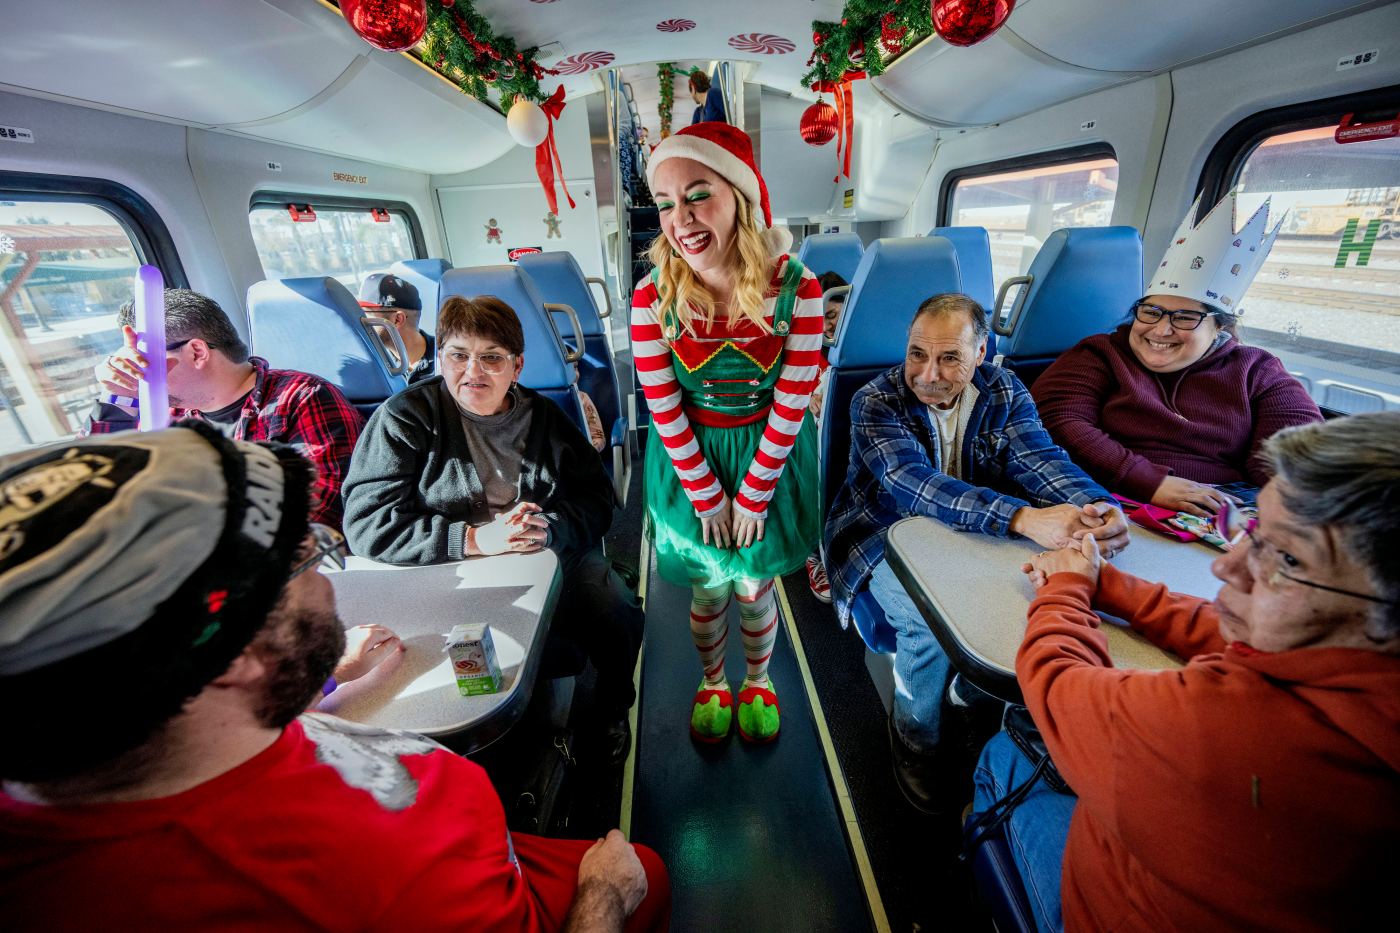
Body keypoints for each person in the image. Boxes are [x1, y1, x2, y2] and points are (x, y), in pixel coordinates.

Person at [0, 423, 670, 932]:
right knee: (649, 870)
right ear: (234, 656)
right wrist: (602, 892)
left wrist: (318, 686)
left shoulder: (137, 730)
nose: (326, 581)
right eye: (300, 562)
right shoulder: (388, 873)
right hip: (508, 880)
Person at [975, 412, 1400, 932]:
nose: (1226, 565)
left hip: (1113, 908)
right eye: (1252, 529)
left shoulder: (1230, 730)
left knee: (1005, 751)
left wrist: (1065, 591)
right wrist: (1108, 586)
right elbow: (1239, 629)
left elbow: (1057, 684)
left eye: (1286, 559)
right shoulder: (1362, 659)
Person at [824, 292, 1129, 814]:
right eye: (917, 353)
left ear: (982, 353)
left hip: (977, 531)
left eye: (949, 358)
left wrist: (1095, 505)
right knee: (926, 622)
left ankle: (970, 694)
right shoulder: (875, 400)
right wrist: (1024, 518)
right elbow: (912, 486)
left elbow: (1040, 458)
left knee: (1030, 600)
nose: (927, 373)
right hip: (884, 534)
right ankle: (915, 737)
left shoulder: (1004, 390)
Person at [342, 296, 642, 763]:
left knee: (616, 608)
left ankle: (610, 708)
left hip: (545, 555)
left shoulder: (546, 418)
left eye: (492, 358)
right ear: (440, 357)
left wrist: (549, 529)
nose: (472, 372)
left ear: (517, 366)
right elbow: (367, 524)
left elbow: (597, 500)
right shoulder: (406, 418)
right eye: (458, 355)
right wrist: (475, 539)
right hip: (443, 566)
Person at [631, 122, 822, 744]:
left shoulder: (801, 289)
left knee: (753, 583)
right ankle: (714, 680)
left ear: (738, 196)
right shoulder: (649, 295)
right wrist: (709, 495)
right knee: (709, 588)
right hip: (691, 459)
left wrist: (753, 495)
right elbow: (663, 406)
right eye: (664, 203)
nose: (678, 218)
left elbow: (791, 403)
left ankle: (758, 680)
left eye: (696, 193)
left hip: (767, 455)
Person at [1032, 192, 1321, 516]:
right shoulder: (1099, 354)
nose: (1160, 330)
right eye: (1150, 312)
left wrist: (1283, 507)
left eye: (1184, 317)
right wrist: (1149, 482)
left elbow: (1296, 450)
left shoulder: (1258, 370)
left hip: (1229, 503)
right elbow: (1059, 423)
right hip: (1111, 495)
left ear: (1219, 327)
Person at [89, 288, 363, 528]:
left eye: (144, 360)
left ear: (197, 352)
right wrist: (119, 395)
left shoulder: (300, 398)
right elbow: (91, 488)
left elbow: (322, 512)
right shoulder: (165, 416)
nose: (140, 373)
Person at [803, 270, 849, 604]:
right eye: (825, 318)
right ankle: (813, 551)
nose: (829, 326)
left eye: (836, 316)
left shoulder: (860, 356)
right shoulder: (806, 355)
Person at [358, 272, 435, 383]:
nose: (362, 321)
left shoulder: (446, 361)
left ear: (397, 319)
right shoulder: (374, 364)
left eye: (367, 314)